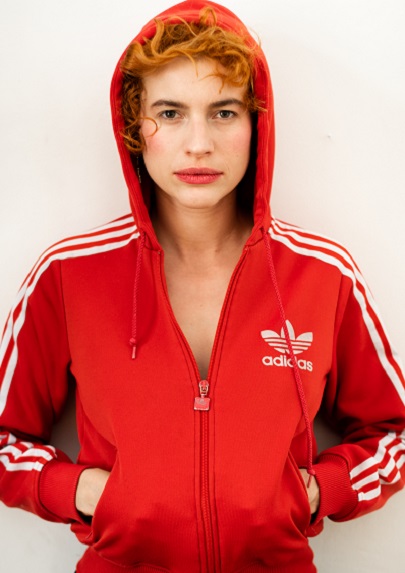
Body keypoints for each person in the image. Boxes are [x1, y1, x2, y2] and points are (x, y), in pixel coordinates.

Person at [0, 1, 404, 571]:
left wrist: (317, 491)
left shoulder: (323, 274)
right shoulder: (69, 274)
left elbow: (394, 431)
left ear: (256, 125)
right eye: (169, 113)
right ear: (135, 126)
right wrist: (82, 491)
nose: (198, 144)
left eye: (223, 112)